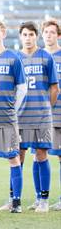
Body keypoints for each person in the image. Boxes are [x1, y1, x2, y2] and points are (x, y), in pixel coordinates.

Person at [0, 19, 27, 214]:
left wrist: (13, 109)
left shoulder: (13, 58)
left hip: (7, 118)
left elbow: (22, 89)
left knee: (13, 158)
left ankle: (16, 202)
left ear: (3, 34)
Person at [16, 21, 58, 213]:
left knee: (41, 155)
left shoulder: (46, 57)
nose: (28, 38)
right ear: (20, 37)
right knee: (19, 156)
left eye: (31, 34)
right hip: (20, 116)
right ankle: (15, 199)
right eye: (24, 34)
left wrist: (45, 107)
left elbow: (54, 87)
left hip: (41, 116)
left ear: (36, 37)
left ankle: (44, 199)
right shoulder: (16, 58)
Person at [42, 19, 61, 210]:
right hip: (41, 115)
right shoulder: (38, 56)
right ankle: (41, 197)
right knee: (40, 153)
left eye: (52, 32)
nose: (48, 35)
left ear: (58, 35)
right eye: (46, 32)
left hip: (58, 112)